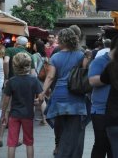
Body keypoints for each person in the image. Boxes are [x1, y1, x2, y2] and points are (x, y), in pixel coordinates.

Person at [38, 28, 89, 158]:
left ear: (62, 40)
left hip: (59, 97)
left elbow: (50, 77)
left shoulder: (55, 57)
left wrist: (42, 92)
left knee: (61, 130)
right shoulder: (80, 55)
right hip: (76, 96)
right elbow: (86, 71)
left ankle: (61, 151)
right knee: (74, 132)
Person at [1, 52, 42, 158]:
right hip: (28, 115)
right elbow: (41, 97)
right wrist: (38, 101)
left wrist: (3, 115)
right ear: (28, 65)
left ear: (14, 65)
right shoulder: (34, 80)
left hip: (14, 115)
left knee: (12, 142)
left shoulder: (11, 81)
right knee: (29, 142)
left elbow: (5, 101)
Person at [88, 47, 113, 158]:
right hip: (100, 110)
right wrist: (111, 75)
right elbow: (92, 80)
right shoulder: (99, 61)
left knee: (113, 146)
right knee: (101, 144)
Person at [32, 39, 48, 126]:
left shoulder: (34, 56)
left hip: (36, 78)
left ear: (37, 46)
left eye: (34, 45)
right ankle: (44, 119)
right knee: (42, 98)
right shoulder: (45, 57)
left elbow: (33, 68)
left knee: (32, 98)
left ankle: (31, 118)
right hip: (43, 79)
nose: (33, 46)